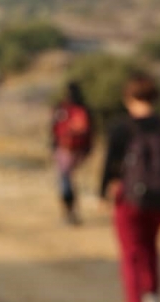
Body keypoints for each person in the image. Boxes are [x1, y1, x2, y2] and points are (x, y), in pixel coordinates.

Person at [100, 71, 160, 302]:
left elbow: (111, 164)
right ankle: (152, 293)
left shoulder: (123, 128)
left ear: (128, 98)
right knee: (150, 246)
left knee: (131, 253)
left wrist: (103, 194)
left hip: (131, 199)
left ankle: (134, 298)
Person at [51, 81, 94, 225]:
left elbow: (54, 128)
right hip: (77, 150)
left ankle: (70, 212)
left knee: (65, 179)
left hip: (67, 149)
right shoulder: (83, 109)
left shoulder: (65, 109)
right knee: (67, 178)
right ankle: (71, 212)